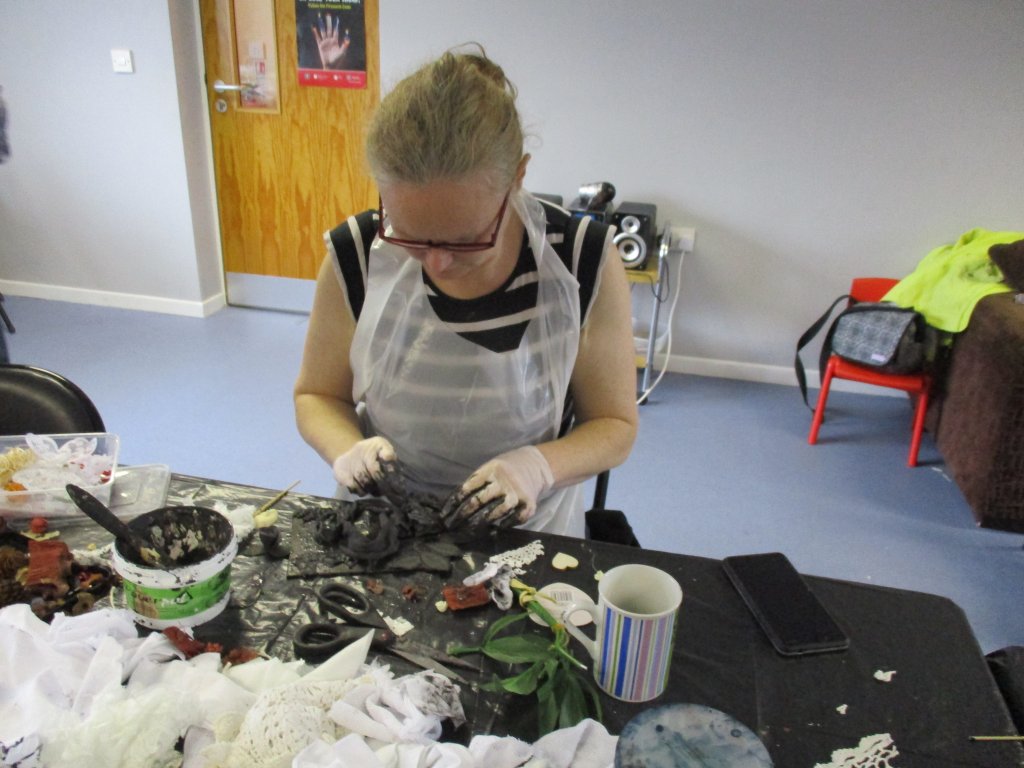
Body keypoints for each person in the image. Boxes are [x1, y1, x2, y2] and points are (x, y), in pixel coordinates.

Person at [294, 44, 638, 536]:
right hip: (385, 526)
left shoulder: (581, 259)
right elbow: (317, 394)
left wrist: (537, 468)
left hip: (528, 529)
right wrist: (346, 448)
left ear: (518, 177)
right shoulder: (359, 255)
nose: (437, 263)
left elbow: (614, 425)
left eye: (465, 239)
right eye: (410, 235)